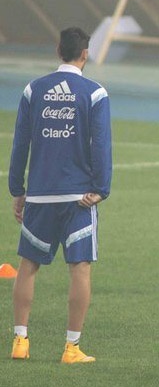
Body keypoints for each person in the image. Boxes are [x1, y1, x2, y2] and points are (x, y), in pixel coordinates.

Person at [8, 27, 112, 364]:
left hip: (40, 194)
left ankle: (20, 341)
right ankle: (71, 348)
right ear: (85, 54)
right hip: (78, 197)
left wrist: (17, 190)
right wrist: (102, 188)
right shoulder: (95, 93)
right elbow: (101, 145)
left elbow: (20, 142)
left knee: (28, 266)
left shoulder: (33, 90)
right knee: (79, 268)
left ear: (58, 51)